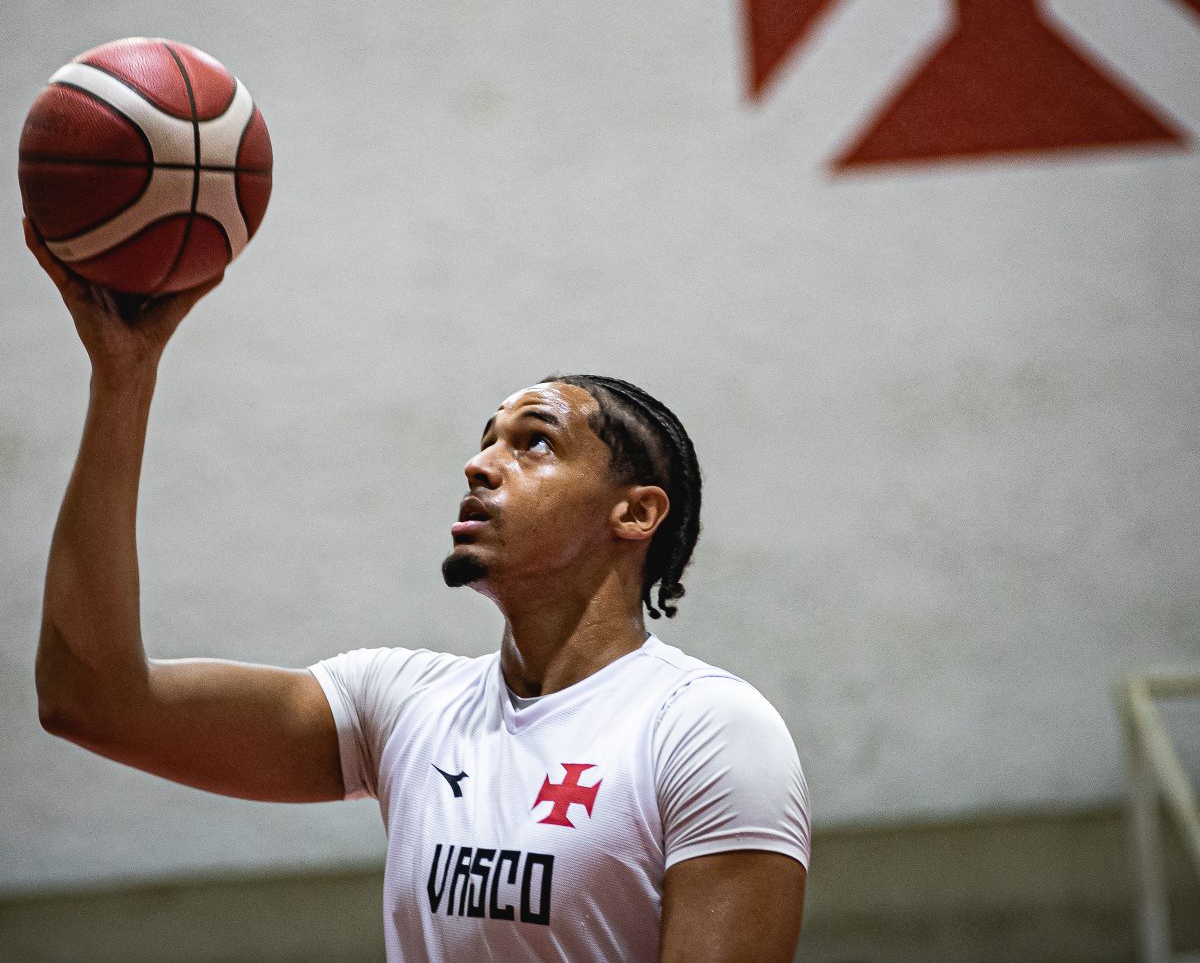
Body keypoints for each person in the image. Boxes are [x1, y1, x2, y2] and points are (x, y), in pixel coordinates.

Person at [27, 218, 810, 962]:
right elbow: (91, 699)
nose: (479, 464)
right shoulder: (403, 706)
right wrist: (123, 376)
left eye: (535, 442)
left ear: (635, 513)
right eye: (486, 441)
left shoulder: (706, 730)